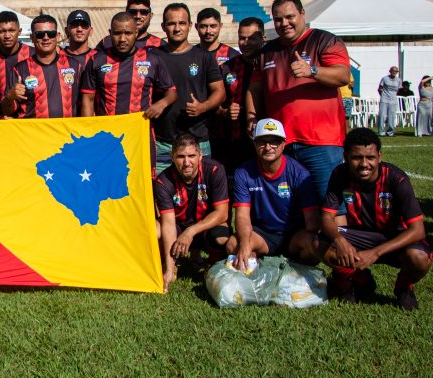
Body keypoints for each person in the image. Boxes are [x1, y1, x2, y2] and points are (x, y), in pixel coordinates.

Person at [300, 128, 430, 310]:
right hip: (359, 236)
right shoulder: (340, 174)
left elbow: (418, 230)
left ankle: (403, 288)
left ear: (379, 156)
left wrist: (375, 253)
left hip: (393, 237)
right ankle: (359, 280)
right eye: (357, 157)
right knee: (318, 243)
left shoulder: (397, 179)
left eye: (370, 157)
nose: (364, 164)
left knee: (420, 258)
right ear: (345, 156)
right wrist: (340, 241)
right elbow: (327, 218)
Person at [246, 0, 350, 200]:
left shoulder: (324, 40)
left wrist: (312, 70)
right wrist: (251, 117)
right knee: (291, 207)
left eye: (290, 17)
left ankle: (335, 234)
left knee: (329, 203)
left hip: (321, 142)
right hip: (280, 142)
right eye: (278, 19)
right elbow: (254, 90)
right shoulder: (267, 52)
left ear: (302, 14)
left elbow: (343, 75)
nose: (284, 23)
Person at [226, 118, 319, 269]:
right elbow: (242, 216)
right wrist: (244, 244)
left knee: (314, 245)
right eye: (262, 142)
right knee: (233, 245)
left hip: (293, 235)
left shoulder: (300, 173)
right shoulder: (243, 173)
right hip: (263, 235)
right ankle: (257, 269)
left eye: (274, 141)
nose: (268, 147)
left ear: (283, 144)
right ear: (255, 144)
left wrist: (313, 242)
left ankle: (299, 272)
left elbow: (311, 220)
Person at [154, 133, 231, 292]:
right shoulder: (163, 181)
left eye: (191, 156)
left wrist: (191, 231)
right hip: (178, 228)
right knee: (156, 230)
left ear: (200, 155)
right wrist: (169, 270)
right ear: (172, 157)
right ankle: (170, 264)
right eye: (181, 156)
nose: (187, 162)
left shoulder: (215, 170)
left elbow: (222, 213)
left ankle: (213, 265)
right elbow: (168, 224)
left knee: (222, 237)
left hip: (204, 228)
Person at [153, 3, 225, 174]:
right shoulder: (154, 57)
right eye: (171, 24)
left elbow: (219, 91)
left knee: (201, 192)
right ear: (163, 27)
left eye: (182, 23)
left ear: (190, 26)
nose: (177, 28)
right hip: (164, 142)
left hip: (197, 140)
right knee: (161, 192)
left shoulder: (204, 57)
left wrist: (203, 107)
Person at [80, 12, 176, 119]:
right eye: (117, 33)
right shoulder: (96, 60)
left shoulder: (152, 59)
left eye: (128, 33)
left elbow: (171, 91)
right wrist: (88, 129)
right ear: (110, 33)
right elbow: (88, 99)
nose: (122, 39)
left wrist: (162, 103)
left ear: (136, 33)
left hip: (140, 131)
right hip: (108, 132)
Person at [3, 15, 81, 119]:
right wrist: (9, 97)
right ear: (32, 38)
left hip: (65, 133)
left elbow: (87, 102)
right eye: (39, 34)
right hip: (33, 133)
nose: (46, 38)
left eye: (51, 33)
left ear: (57, 36)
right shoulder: (20, 69)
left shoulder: (75, 66)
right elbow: (6, 111)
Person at [213, 17, 264, 173]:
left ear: (263, 38)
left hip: (266, 140)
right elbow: (212, 103)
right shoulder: (227, 68)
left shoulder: (271, 63)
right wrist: (224, 112)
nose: (245, 42)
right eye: (242, 38)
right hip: (234, 142)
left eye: (251, 38)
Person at [0, 11, 32, 95]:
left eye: (11, 30)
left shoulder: (33, 54)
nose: (7, 36)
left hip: (25, 107)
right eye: (2, 31)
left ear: (19, 31)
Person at [98, 0, 163, 53]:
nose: (138, 16)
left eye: (143, 12)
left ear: (151, 15)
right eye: (133, 12)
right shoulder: (106, 42)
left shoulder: (160, 45)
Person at [377, 66, 400, 137]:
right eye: (393, 71)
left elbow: (398, 90)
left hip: (393, 100)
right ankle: (381, 132)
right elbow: (379, 88)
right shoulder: (384, 79)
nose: (394, 72)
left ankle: (390, 132)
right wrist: (383, 96)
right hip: (384, 99)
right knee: (382, 115)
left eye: (396, 71)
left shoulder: (398, 80)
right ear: (390, 71)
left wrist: (393, 96)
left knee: (391, 116)